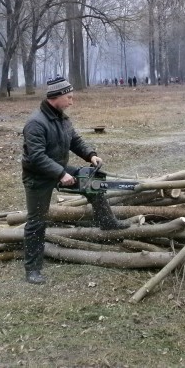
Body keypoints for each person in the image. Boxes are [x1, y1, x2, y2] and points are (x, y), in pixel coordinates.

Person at [20, 76, 129, 285]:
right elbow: (36, 157)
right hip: (38, 177)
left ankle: (107, 223)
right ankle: (32, 269)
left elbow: (74, 140)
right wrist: (61, 174)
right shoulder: (36, 123)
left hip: (59, 169)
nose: (72, 101)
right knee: (36, 221)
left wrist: (90, 155)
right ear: (56, 97)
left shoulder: (62, 118)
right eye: (69, 97)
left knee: (93, 182)